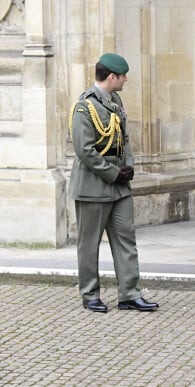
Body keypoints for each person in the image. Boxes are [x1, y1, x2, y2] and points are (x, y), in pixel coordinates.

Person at [69, 53, 158, 313]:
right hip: (93, 186)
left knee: (126, 239)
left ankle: (129, 294)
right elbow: (84, 150)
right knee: (89, 244)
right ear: (112, 77)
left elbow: (124, 138)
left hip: (119, 184)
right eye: (122, 76)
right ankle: (90, 294)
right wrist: (112, 173)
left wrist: (128, 165)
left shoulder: (115, 100)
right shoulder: (85, 106)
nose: (125, 80)